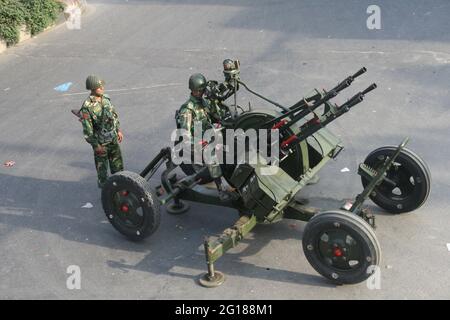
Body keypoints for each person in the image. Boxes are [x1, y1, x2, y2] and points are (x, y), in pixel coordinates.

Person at [175, 73, 234, 201]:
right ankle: (221, 189)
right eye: (200, 91)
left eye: (203, 90)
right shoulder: (187, 110)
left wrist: (215, 101)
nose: (202, 93)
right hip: (194, 145)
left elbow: (218, 115)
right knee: (212, 155)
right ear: (194, 90)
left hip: (209, 138)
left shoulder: (204, 103)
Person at [76, 75, 124, 188]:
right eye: (99, 86)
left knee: (118, 168)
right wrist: (96, 146)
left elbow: (114, 116)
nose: (102, 88)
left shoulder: (106, 99)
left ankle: (121, 188)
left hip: (112, 139)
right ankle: (107, 194)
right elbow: (88, 131)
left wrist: (118, 130)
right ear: (93, 88)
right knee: (102, 172)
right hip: (101, 144)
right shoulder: (87, 106)